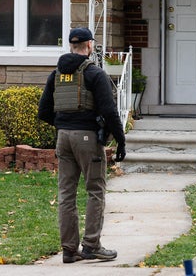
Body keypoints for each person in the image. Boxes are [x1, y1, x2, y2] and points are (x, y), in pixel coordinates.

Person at [38, 27, 126, 263]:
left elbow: (43, 111)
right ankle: (92, 245)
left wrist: (63, 125)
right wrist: (120, 140)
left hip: (63, 137)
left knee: (66, 193)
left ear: (70, 46)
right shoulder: (94, 74)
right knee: (95, 190)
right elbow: (109, 110)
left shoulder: (55, 74)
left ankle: (69, 249)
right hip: (87, 139)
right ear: (89, 46)